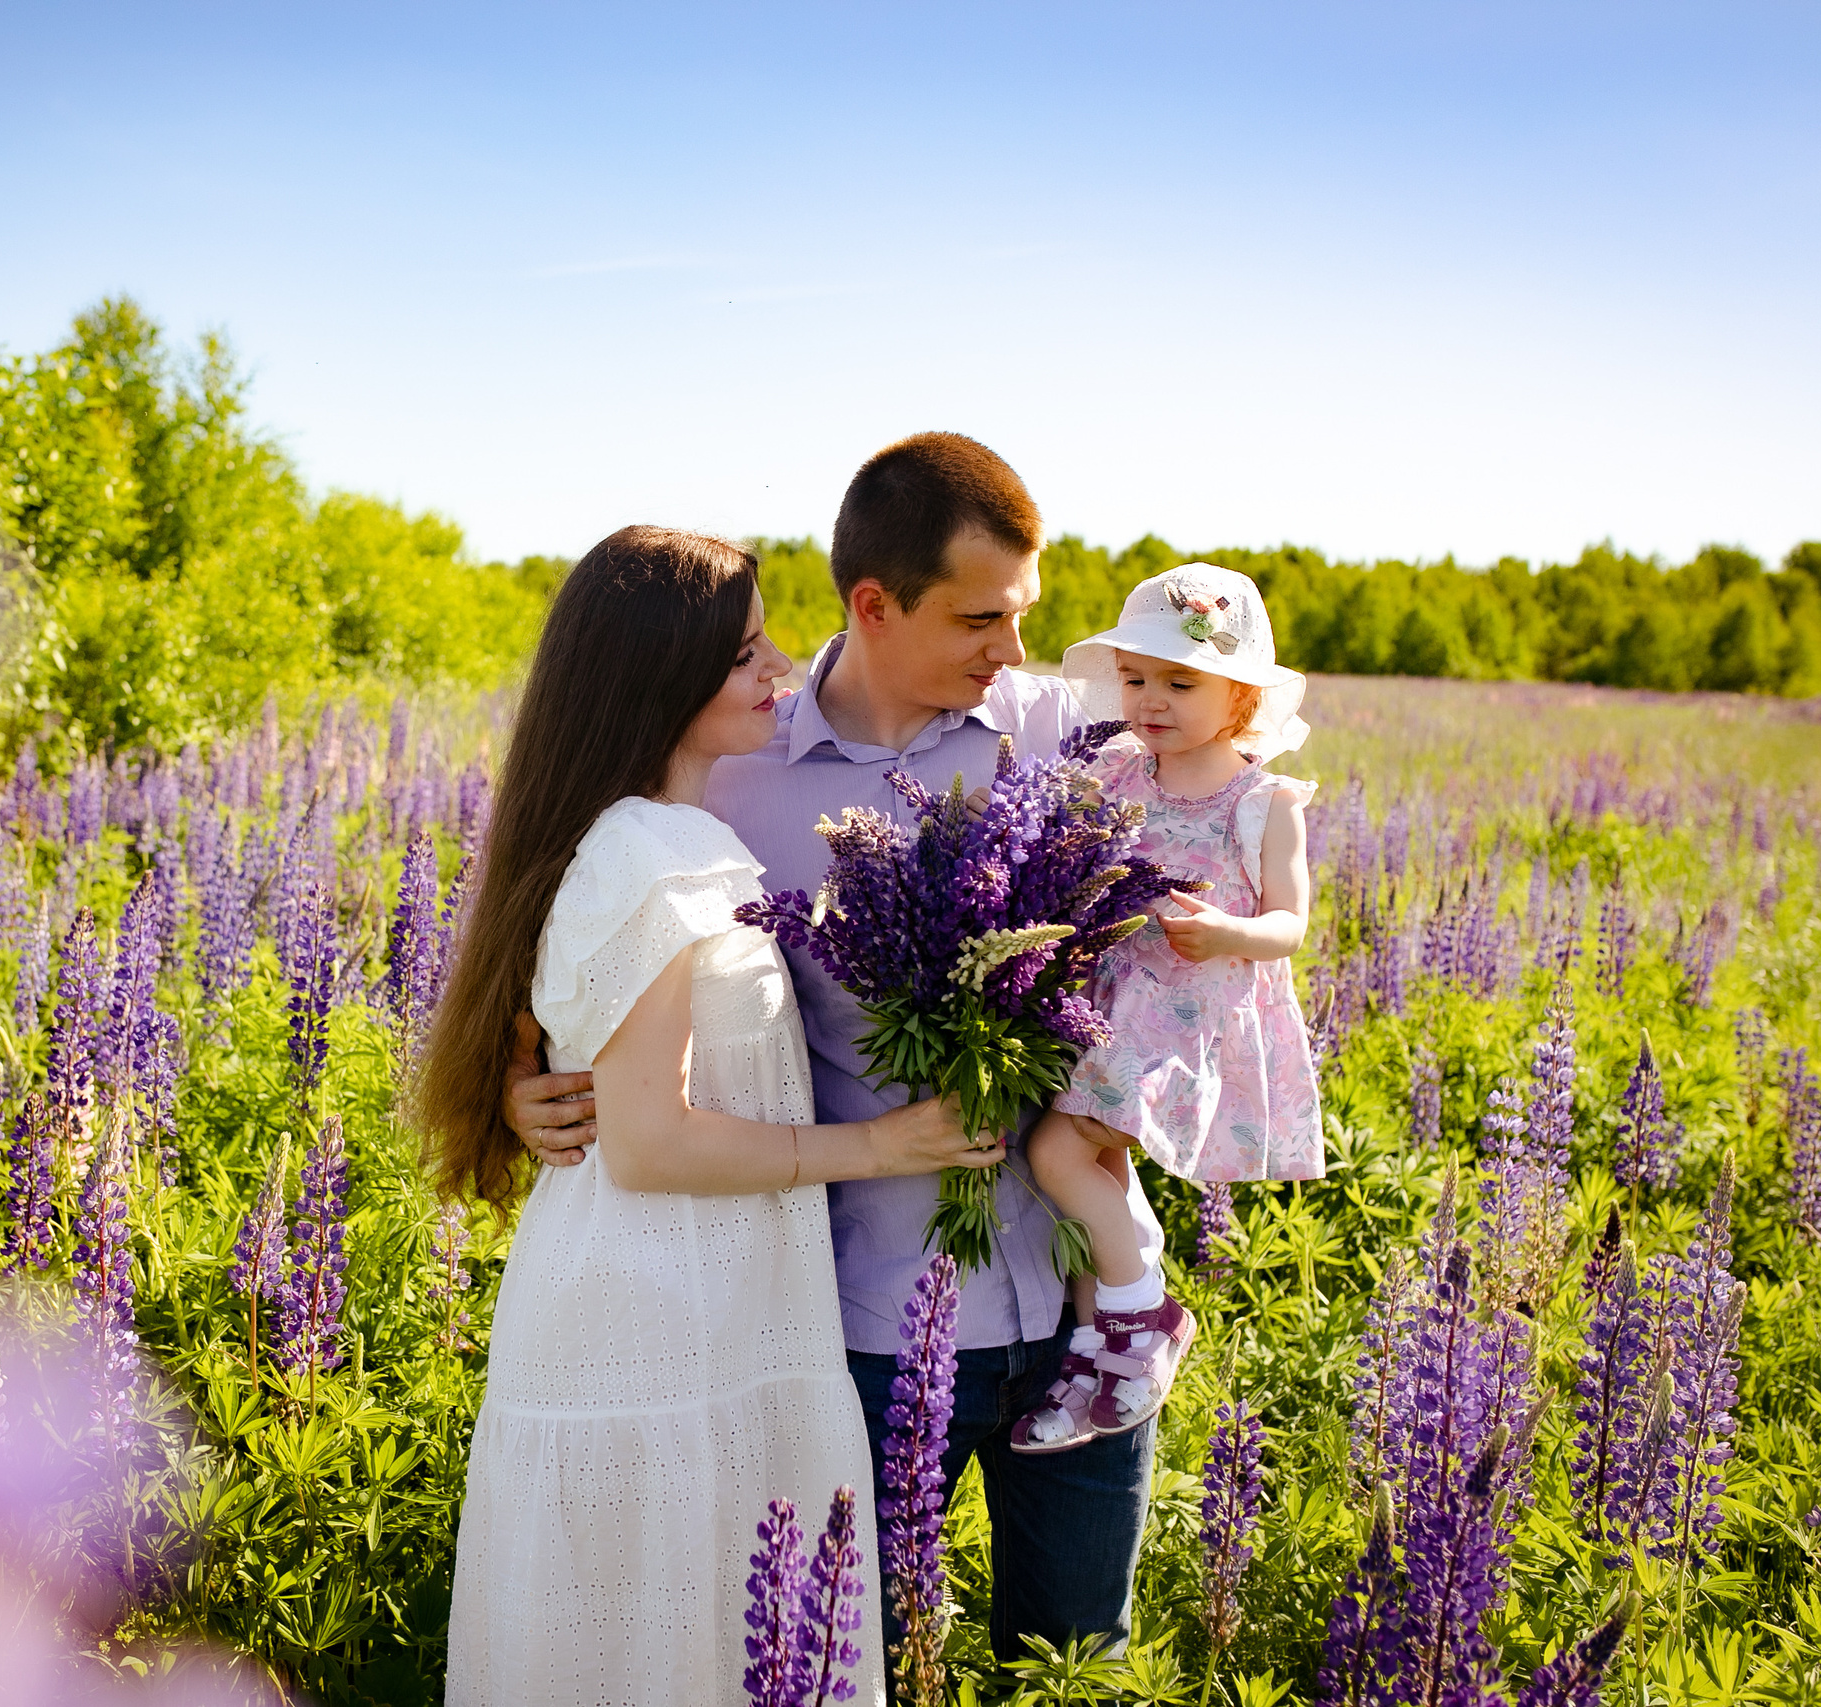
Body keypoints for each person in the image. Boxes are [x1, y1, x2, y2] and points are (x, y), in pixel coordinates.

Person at [504, 436, 1173, 1662]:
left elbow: (1223, 828)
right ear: (874, 604)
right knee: (844, 1665)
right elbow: (572, 910)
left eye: (1020, 614)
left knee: (1081, 1663)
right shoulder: (724, 772)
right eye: (980, 617)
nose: (1013, 651)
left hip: (1085, 1305)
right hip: (854, 1319)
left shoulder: (1062, 741)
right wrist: (519, 1070)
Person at [423, 525, 995, 1707]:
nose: (778, 665)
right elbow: (651, 1141)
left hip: (709, 1309)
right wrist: (880, 1145)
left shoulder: (672, 837)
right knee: (666, 1653)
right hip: (656, 1319)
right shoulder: (646, 857)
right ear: (656, 678)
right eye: (742, 653)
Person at [1008, 565, 1324, 1455]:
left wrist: (1230, 931)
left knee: (1055, 1150)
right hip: (1103, 1003)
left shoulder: (1264, 801)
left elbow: (1291, 924)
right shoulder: (1117, 771)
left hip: (1184, 1018)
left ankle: (1144, 1312)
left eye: (1180, 682)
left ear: (1241, 697)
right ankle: (1096, 1349)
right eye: (1136, 677)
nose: (1150, 699)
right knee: (1089, 1170)